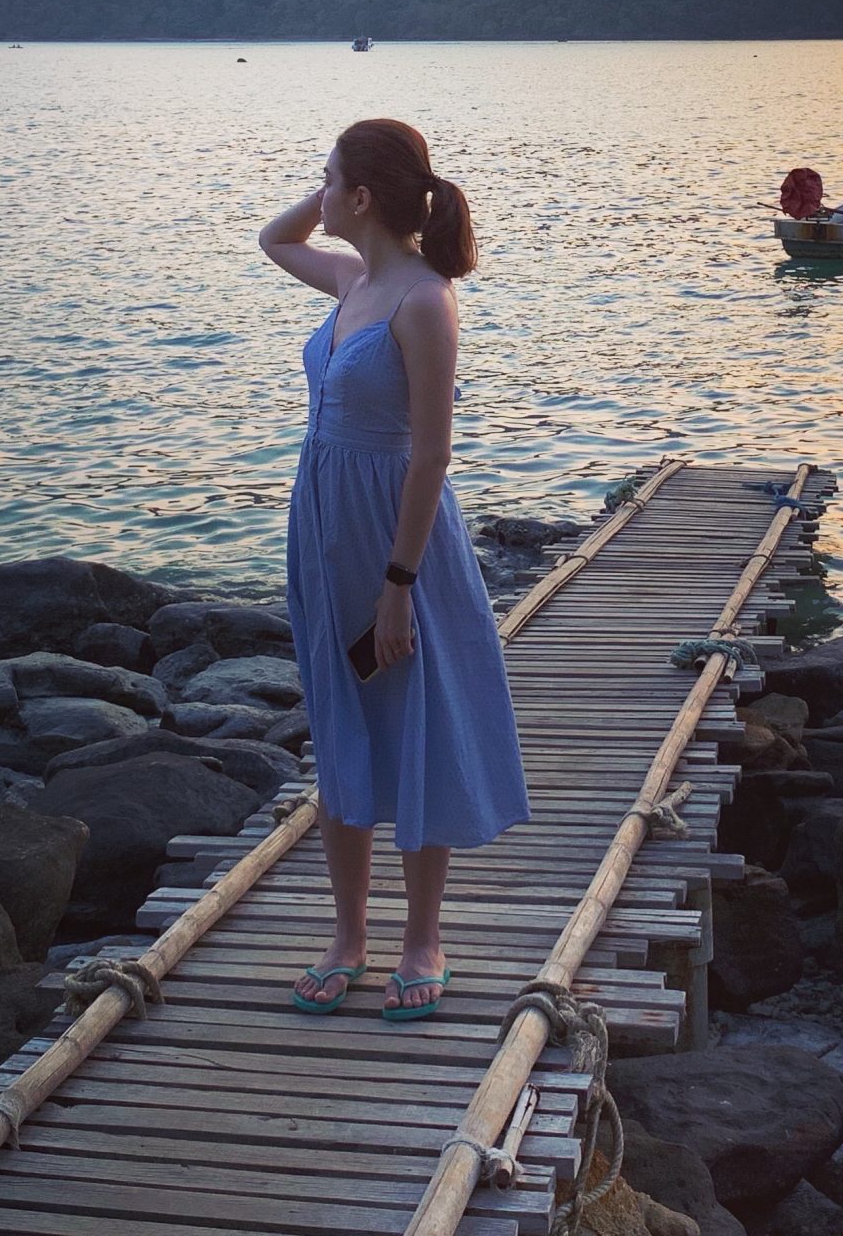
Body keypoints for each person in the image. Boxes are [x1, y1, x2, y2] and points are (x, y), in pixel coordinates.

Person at [258, 118, 530, 1020]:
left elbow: (430, 456)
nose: (319, 192)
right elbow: (274, 237)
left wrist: (398, 585)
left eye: (329, 178)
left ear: (363, 196)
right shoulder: (352, 279)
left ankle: (422, 938)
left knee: (412, 717)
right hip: (324, 526)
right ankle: (348, 937)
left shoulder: (424, 300)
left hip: (397, 541)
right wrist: (344, 187)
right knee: (341, 720)